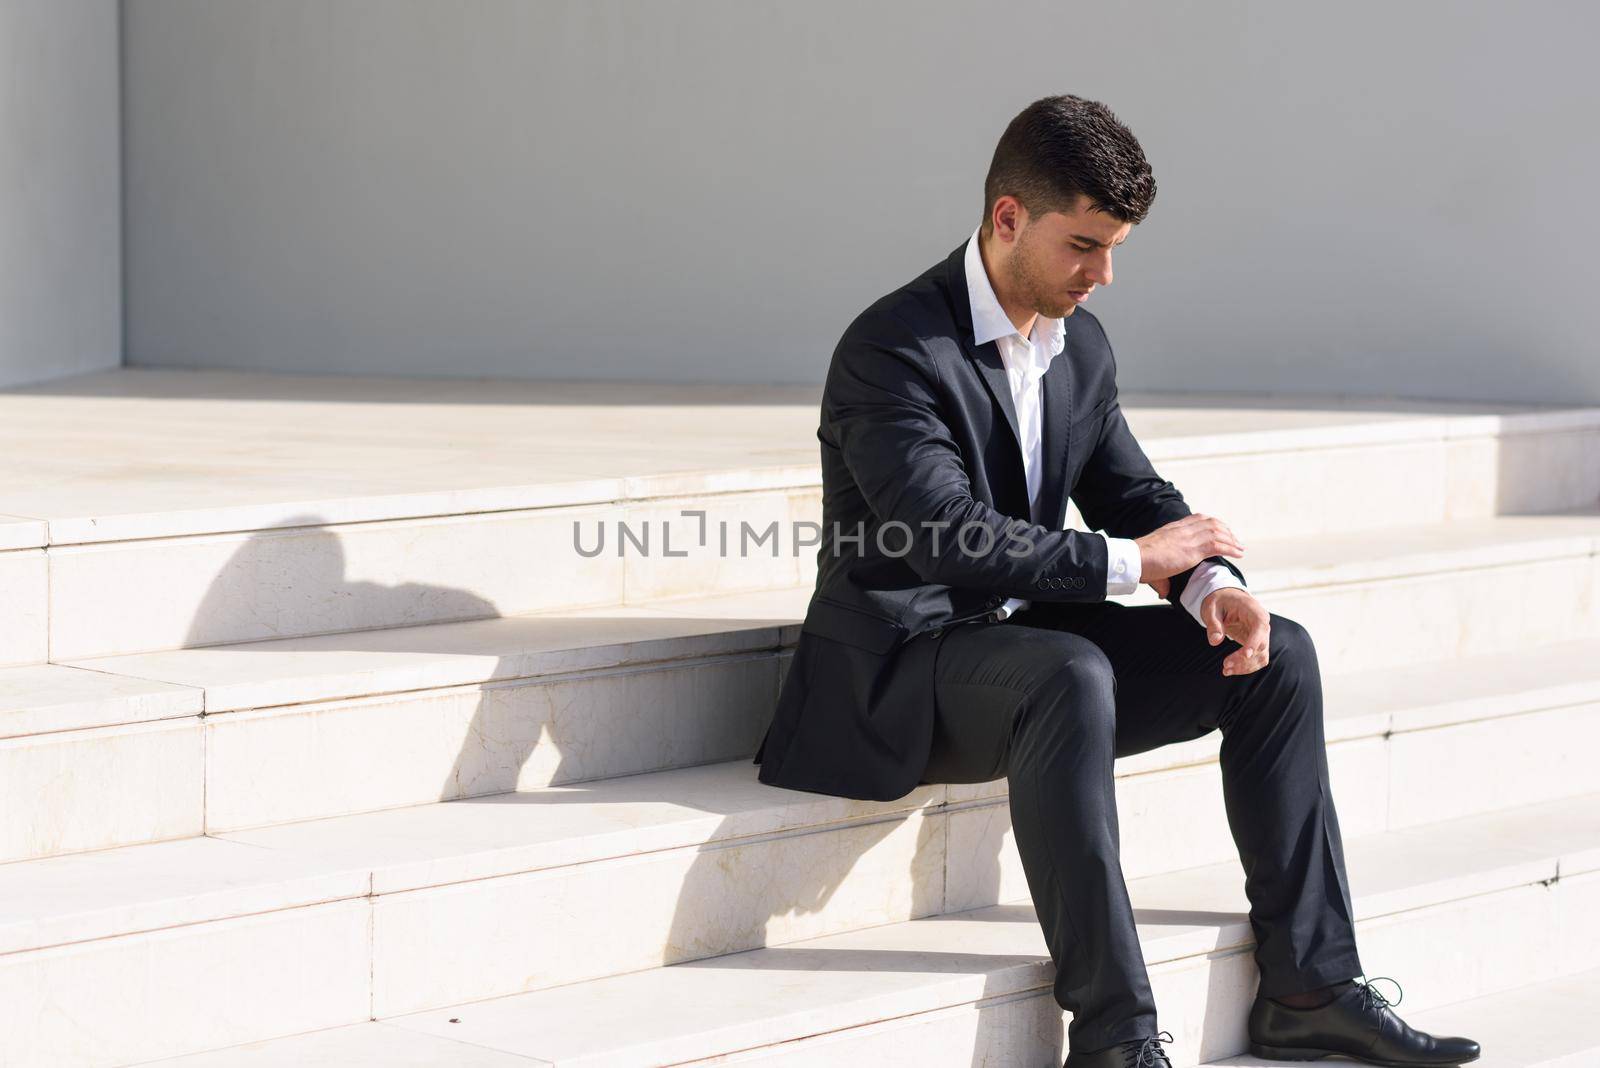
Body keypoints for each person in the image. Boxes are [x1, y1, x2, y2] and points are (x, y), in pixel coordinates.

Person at [752, 94, 1480, 1068]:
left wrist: (1209, 586)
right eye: (1082, 245)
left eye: (1115, 248)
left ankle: (1309, 986)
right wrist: (1135, 565)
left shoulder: (1076, 343)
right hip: (903, 667)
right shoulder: (893, 350)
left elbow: (1132, 493)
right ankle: (1117, 1042)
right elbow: (939, 538)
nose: (1102, 274)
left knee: (1274, 656)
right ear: (1007, 217)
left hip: (1031, 654)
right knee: (1067, 673)